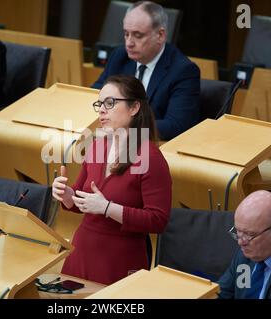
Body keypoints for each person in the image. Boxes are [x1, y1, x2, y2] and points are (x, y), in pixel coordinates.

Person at [52, 75, 172, 285]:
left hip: (119, 260)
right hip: (81, 253)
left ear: (134, 108)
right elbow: (82, 198)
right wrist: (68, 195)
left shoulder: (151, 157)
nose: (101, 110)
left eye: (110, 103)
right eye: (99, 104)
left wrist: (108, 208)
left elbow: (158, 220)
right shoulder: (97, 146)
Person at [93, 1, 200, 141]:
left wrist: (125, 127)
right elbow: (94, 95)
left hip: (153, 148)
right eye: (126, 34)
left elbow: (177, 125)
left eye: (138, 35)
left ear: (160, 35)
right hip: (114, 143)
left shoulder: (183, 71)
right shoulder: (120, 57)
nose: (129, 43)